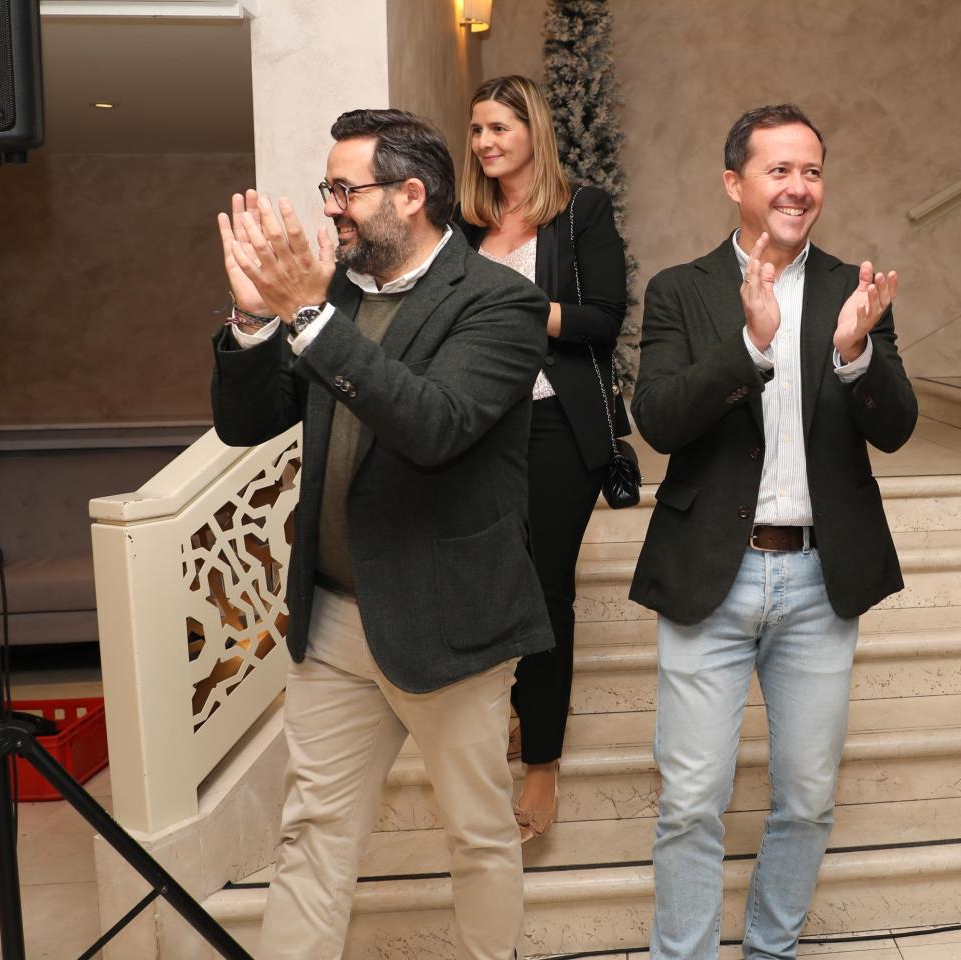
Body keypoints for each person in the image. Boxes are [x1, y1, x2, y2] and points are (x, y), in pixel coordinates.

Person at [211, 108, 551, 960]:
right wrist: (255, 321)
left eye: (345, 190)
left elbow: (435, 425)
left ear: (411, 194)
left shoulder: (499, 302)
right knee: (312, 836)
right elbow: (246, 423)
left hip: (449, 619)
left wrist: (308, 316)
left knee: (478, 834)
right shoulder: (332, 299)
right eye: (327, 188)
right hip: (333, 619)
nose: (331, 207)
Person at [628, 103, 917, 960]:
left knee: (808, 799)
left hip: (821, 579)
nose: (799, 187)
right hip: (710, 572)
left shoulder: (852, 288)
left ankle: (770, 949)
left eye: (812, 171)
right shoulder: (680, 290)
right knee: (690, 802)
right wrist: (749, 349)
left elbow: (897, 427)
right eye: (780, 170)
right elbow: (658, 420)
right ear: (734, 182)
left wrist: (857, 355)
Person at [458, 73, 632, 842]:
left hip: (560, 423)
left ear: (533, 131)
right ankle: (521, 709)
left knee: (545, 586)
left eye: (499, 127)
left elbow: (604, 319)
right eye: (477, 129)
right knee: (495, 580)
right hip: (479, 429)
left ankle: (541, 764)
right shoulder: (463, 225)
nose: (485, 142)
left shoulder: (579, 211)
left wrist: (517, 305)